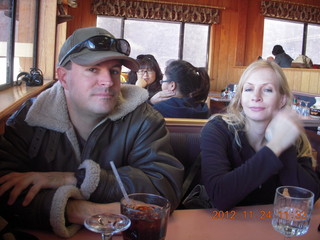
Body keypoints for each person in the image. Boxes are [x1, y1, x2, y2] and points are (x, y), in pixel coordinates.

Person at [0, 27, 184, 238]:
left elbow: (163, 190)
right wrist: (78, 210)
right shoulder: (30, 118)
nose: (108, 81)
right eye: (93, 69)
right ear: (63, 77)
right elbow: (4, 190)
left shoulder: (143, 118)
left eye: (114, 71)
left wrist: (75, 179)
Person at [201, 60, 320, 211]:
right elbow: (219, 197)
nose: (256, 96)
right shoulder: (217, 129)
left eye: (267, 90)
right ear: (241, 96)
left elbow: (308, 197)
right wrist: (275, 145)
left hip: (265, 226)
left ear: (282, 100)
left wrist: (284, 145)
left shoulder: (293, 137)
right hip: (218, 224)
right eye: (249, 89)